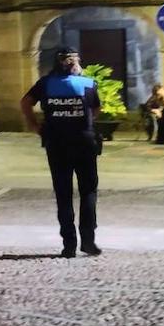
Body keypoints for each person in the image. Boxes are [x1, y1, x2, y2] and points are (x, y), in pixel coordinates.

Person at [20, 47, 102, 258]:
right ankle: (88, 241)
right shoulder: (88, 83)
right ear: (76, 63)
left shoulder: (45, 83)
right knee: (88, 192)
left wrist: (34, 125)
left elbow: (25, 102)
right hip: (84, 142)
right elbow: (95, 109)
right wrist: (85, 121)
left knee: (63, 194)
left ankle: (69, 245)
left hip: (56, 144)